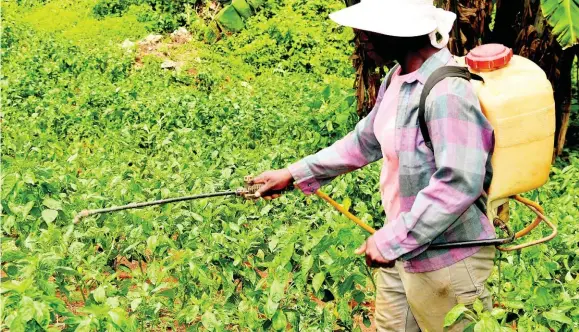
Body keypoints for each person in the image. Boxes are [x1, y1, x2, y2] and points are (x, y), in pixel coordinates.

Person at [253, 0, 496, 331]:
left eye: (369, 29)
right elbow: (363, 141)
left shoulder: (447, 92)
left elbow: (460, 182)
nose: (361, 36)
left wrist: (392, 240)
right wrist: (293, 173)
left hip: (447, 263)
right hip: (404, 250)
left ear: (399, 32)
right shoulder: (398, 78)